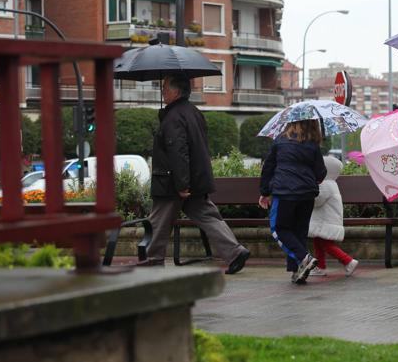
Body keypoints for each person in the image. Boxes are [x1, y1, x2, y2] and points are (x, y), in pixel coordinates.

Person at [138, 75, 250, 274]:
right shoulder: (194, 112)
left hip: (173, 182)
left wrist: (182, 184)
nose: (162, 91)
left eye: (165, 87)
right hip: (196, 178)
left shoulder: (173, 117)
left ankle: (152, 261)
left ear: (176, 91)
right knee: (208, 216)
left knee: (158, 221)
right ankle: (235, 251)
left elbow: (177, 150)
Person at [258, 119, 327, 284]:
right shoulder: (313, 145)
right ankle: (297, 271)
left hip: (285, 193)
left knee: (279, 229)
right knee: (299, 232)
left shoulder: (280, 141)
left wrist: (265, 192)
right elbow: (321, 173)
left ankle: (304, 258)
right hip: (307, 195)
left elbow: (268, 168)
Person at [308, 156, 358, 277]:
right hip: (324, 220)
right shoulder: (331, 183)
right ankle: (320, 266)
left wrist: (309, 194)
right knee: (318, 242)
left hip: (325, 221)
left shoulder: (325, 184)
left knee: (326, 245)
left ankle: (348, 261)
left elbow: (317, 201)